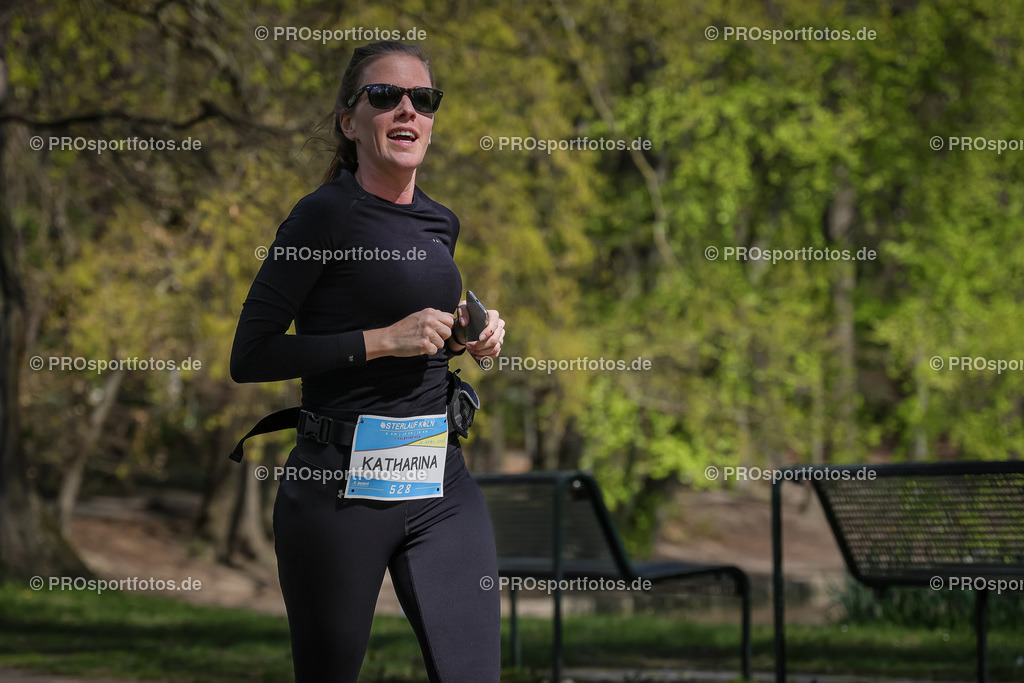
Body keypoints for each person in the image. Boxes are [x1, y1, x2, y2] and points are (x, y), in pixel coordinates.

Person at [229, 41, 505, 682]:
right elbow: (252, 353)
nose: (407, 109)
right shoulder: (321, 216)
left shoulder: (441, 222)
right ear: (349, 121)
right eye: (385, 96)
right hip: (338, 491)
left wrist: (474, 331)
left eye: (423, 100)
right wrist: (382, 340)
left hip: (439, 482)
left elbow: (427, 320)